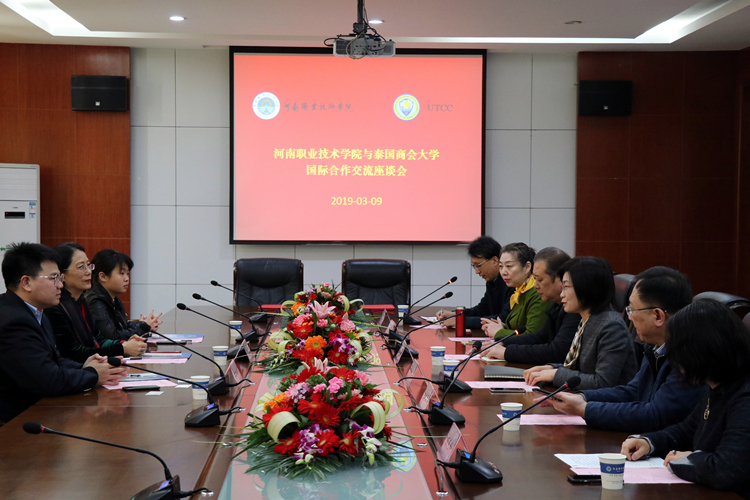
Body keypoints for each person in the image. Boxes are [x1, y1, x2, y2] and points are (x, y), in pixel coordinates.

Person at [545, 266, 703, 432]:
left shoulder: (689, 356)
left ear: (658, 316)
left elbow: (656, 415)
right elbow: (633, 391)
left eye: (632, 309)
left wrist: (585, 409)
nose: (629, 316)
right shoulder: (655, 346)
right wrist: (582, 397)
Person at [621, 300, 750, 498]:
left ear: (702, 350)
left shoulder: (744, 395)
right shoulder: (715, 385)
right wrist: (649, 442)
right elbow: (687, 430)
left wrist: (687, 459)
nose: (675, 360)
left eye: (679, 350)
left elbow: (726, 469)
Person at [0, 242, 127, 424]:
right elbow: (48, 380)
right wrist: (93, 374)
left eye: (60, 277)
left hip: (37, 413)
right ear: (26, 282)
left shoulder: (35, 312)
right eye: (54, 278)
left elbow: (55, 361)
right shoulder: (13, 321)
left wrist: (85, 365)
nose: (60, 285)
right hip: (14, 425)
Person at [523, 257, 636, 390]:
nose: (562, 294)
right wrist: (551, 368)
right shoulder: (587, 319)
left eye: (566, 287)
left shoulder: (611, 326)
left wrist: (555, 374)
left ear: (586, 288)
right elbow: (580, 369)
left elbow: (602, 382)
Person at [44, 243, 146, 363]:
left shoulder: (81, 301)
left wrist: (124, 344)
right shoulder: (55, 306)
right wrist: (122, 348)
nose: (89, 272)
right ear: (62, 275)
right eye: (81, 267)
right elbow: (74, 353)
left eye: (88, 265)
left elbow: (99, 339)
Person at [485, 247, 580, 364]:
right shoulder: (556, 305)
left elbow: (558, 351)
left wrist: (507, 352)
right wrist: (502, 342)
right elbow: (539, 337)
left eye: (539, 280)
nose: (535, 285)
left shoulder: (575, 309)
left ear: (561, 279)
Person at [436, 236, 512, 330]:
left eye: (478, 265)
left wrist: (462, 321)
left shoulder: (511, 282)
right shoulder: (492, 281)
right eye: (474, 266)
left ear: (495, 261)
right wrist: (455, 314)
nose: (477, 271)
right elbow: (482, 310)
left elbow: (503, 319)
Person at [84, 249, 161, 341]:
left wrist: (143, 325)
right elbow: (113, 336)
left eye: (127, 273)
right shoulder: (95, 302)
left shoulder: (113, 297)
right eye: (122, 273)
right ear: (103, 276)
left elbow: (123, 325)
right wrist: (142, 327)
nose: (127, 278)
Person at [481, 242, 549, 339]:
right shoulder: (520, 291)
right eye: (501, 266)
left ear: (527, 267)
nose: (503, 272)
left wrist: (499, 332)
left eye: (509, 266)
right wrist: (502, 327)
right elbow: (518, 328)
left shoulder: (538, 293)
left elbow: (532, 335)